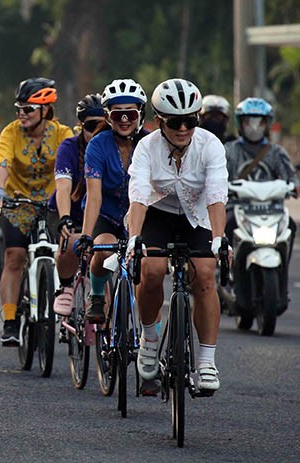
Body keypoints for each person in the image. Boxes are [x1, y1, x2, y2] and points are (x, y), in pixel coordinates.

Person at [127, 78, 229, 392]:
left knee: (205, 274)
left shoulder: (210, 145)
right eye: (175, 122)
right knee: (152, 270)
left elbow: (215, 195)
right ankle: (149, 339)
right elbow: (140, 195)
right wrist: (134, 238)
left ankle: (206, 363)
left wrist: (218, 239)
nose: (183, 129)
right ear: (158, 122)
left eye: (190, 121)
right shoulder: (147, 146)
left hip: (197, 215)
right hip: (157, 213)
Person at [0, 77, 73, 346]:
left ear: (45, 110)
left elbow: (71, 166)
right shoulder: (11, 132)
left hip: (52, 205)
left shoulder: (63, 134)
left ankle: (64, 309)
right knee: (14, 256)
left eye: (28, 109)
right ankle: (11, 321)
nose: (21, 115)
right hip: (18, 203)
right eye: (19, 109)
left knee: (64, 252)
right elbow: (3, 162)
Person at [74, 79, 148, 324]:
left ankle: (148, 334)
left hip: (140, 216)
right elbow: (93, 195)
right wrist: (86, 235)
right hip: (105, 214)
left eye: (130, 113)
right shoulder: (97, 145)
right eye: (118, 114)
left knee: (149, 265)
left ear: (140, 114)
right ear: (108, 116)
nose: (124, 120)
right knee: (104, 249)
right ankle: (96, 296)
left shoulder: (150, 144)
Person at [47, 93, 105, 316]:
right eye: (91, 126)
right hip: (67, 209)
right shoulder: (69, 147)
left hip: (99, 212)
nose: (97, 132)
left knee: (103, 259)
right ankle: (66, 286)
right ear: (80, 126)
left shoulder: (112, 145)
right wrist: (65, 218)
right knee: (71, 242)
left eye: (103, 126)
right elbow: (63, 187)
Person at [224, 97, 299, 255]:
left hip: (272, 210)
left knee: (291, 225)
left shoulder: (276, 152)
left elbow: (291, 178)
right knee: (227, 224)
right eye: (249, 122)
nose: (254, 127)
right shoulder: (229, 151)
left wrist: (294, 186)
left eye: (259, 122)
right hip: (238, 208)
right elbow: (218, 178)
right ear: (240, 124)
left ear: (267, 125)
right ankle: (227, 266)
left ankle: (282, 268)